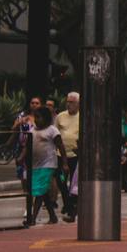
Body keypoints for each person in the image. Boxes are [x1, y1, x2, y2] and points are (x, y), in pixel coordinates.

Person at [22, 105, 64, 226]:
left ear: (46, 118)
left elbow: (60, 146)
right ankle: (52, 216)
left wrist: (64, 163)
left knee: (39, 191)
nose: (36, 120)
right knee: (43, 191)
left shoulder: (52, 130)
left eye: (39, 117)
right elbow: (27, 146)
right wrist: (21, 157)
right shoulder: (32, 130)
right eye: (35, 117)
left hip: (48, 164)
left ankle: (32, 218)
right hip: (35, 165)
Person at [54, 92, 82, 220]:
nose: (69, 104)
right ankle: (68, 203)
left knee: (74, 184)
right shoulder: (60, 116)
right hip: (61, 156)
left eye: (72, 102)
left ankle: (72, 210)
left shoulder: (82, 117)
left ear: (78, 104)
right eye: (68, 102)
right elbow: (55, 134)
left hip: (76, 156)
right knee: (61, 180)